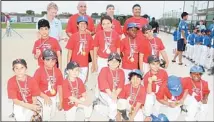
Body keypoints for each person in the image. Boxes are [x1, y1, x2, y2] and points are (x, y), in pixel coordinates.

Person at [33, 49, 63, 121]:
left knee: (52, 114)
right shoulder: (39, 71)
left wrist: (61, 101)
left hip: (53, 96)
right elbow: (34, 88)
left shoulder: (58, 71)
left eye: (53, 60)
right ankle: (38, 111)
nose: (51, 62)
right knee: (47, 111)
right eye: (47, 60)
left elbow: (60, 87)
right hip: (41, 96)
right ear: (43, 60)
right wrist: (44, 96)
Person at [66, 16, 94, 83]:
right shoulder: (73, 36)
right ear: (77, 25)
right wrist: (68, 64)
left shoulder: (89, 37)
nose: (83, 25)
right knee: (73, 81)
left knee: (82, 82)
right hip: (74, 64)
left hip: (84, 65)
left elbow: (91, 51)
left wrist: (94, 63)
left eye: (85, 24)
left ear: (87, 25)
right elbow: (70, 52)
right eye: (81, 23)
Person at [97, 52, 125, 122]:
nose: (114, 62)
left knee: (122, 104)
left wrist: (115, 94)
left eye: (116, 61)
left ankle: (100, 107)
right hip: (105, 92)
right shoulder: (104, 69)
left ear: (119, 63)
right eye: (111, 60)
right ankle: (111, 119)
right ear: (108, 62)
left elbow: (120, 86)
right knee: (113, 103)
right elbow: (104, 83)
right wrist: (112, 95)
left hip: (116, 93)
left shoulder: (121, 71)